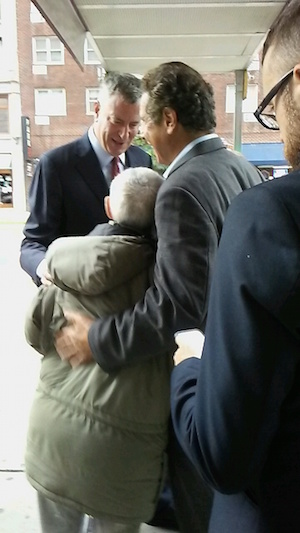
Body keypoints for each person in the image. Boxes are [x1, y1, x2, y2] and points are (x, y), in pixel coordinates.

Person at [54, 61, 265, 532]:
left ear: (169, 119)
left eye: (146, 121)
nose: (142, 137)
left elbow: (178, 306)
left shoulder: (181, 187)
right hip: (244, 376)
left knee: (196, 512)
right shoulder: (239, 166)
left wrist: (98, 339)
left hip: (204, 382)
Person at [171, 1, 300, 531]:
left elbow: (223, 454)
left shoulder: (273, 215)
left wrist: (188, 366)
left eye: (272, 103)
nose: (276, 125)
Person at [24, 167, 172, 533]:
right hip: (121, 459)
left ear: (108, 207)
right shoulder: (164, 283)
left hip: (54, 440)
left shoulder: (64, 264)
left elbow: (33, 332)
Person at [20, 71, 152, 286]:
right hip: (74, 295)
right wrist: (44, 268)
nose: (123, 134)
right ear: (97, 110)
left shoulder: (142, 160)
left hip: (130, 301)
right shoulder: (56, 165)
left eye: (133, 125)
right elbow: (33, 243)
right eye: (116, 121)